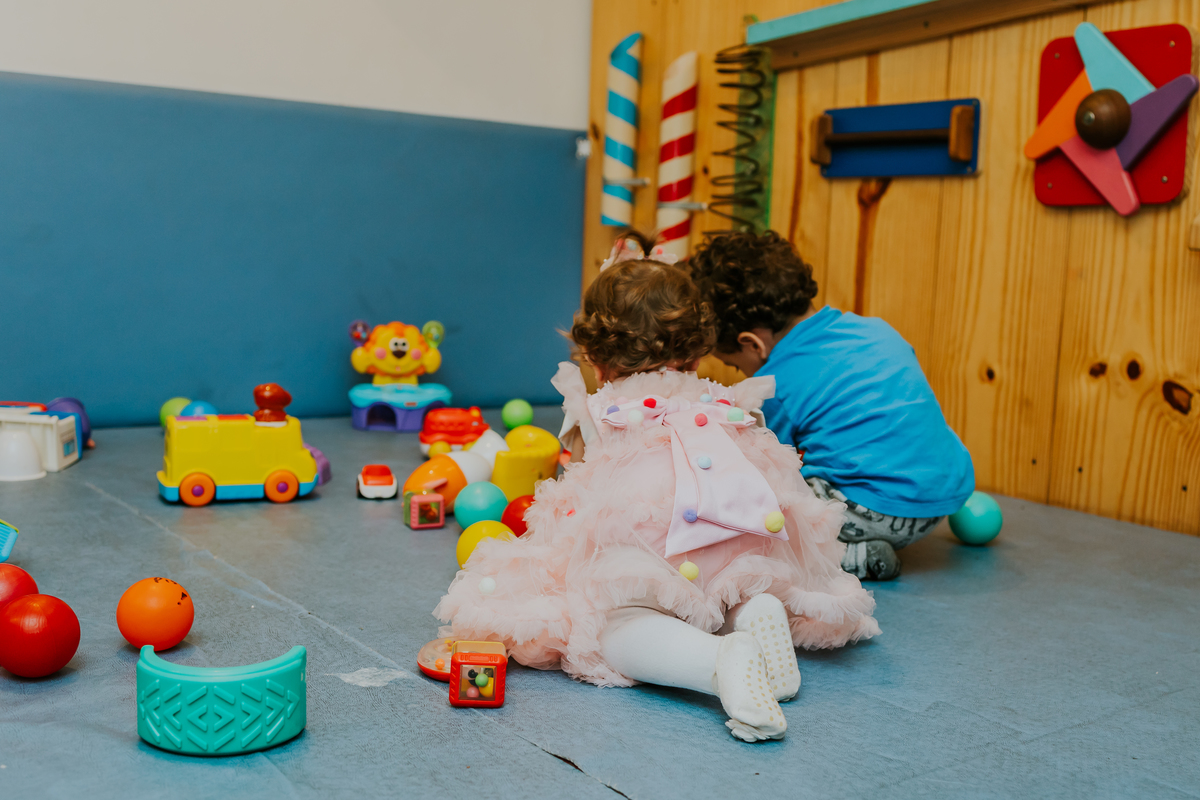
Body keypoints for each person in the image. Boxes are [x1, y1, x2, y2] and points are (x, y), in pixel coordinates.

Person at [435, 236, 878, 743]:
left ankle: (717, 661)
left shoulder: (600, 407)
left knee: (610, 623)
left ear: (597, 362)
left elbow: (580, 490)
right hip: (739, 532)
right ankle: (755, 614)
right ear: (695, 353)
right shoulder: (719, 398)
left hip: (654, 543)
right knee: (726, 587)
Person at [690, 230, 975, 581]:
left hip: (869, 512)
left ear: (752, 344)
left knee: (753, 509)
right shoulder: (877, 329)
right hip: (943, 498)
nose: (740, 373)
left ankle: (849, 557)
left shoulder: (776, 382)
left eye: (735, 364)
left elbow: (760, 462)